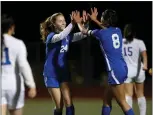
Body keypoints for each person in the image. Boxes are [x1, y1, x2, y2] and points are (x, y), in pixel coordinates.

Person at [77, 7, 135, 115]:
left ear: (106, 20)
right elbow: (106, 28)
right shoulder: (118, 31)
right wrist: (94, 20)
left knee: (122, 102)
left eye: (102, 16)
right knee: (106, 100)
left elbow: (83, 31)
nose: (101, 17)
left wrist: (78, 22)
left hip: (114, 71)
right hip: (122, 67)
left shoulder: (100, 33)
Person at [40, 11, 88, 115]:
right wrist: (73, 24)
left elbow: (83, 35)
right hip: (51, 74)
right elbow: (61, 36)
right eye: (60, 21)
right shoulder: (51, 37)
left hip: (63, 72)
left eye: (64, 21)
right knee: (59, 106)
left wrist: (85, 23)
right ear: (54, 24)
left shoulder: (67, 36)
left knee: (69, 101)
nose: (63, 23)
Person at [1, 14, 37, 115]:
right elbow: (23, 65)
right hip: (14, 86)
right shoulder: (18, 43)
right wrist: (31, 85)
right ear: (12, 27)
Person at [122, 24, 148, 115]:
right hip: (139, 71)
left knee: (128, 95)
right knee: (140, 94)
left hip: (127, 71)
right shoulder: (139, 42)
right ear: (134, 33)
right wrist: (145, 65)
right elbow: (144, 56)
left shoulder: (121, 42)